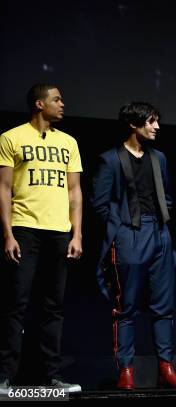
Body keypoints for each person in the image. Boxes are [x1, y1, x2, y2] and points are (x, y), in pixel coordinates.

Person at [92, 102, 176, 390]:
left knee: (164, 306)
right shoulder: (110, 159)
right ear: (134, 125)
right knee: (127, 308)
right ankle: (126, 370)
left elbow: (168, 195)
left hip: (159, 232)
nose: (156, 127)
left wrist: (163, 224)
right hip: (129, 234)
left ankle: (166, 368)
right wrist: (120, 231)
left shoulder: (159, 158)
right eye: (151, 122)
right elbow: (100, 205)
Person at [0, 84, 83, 393]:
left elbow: (75, 192)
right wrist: (8, 234)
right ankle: (5, 376)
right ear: (39, 104)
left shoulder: (69, 142)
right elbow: (4, 188)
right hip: (24, 229)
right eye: (56, 99)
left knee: (53, 306)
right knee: (15, 304)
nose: (62, 104)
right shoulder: (12, 138)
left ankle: (51, 376)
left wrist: (77, 234)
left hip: (59, 232)